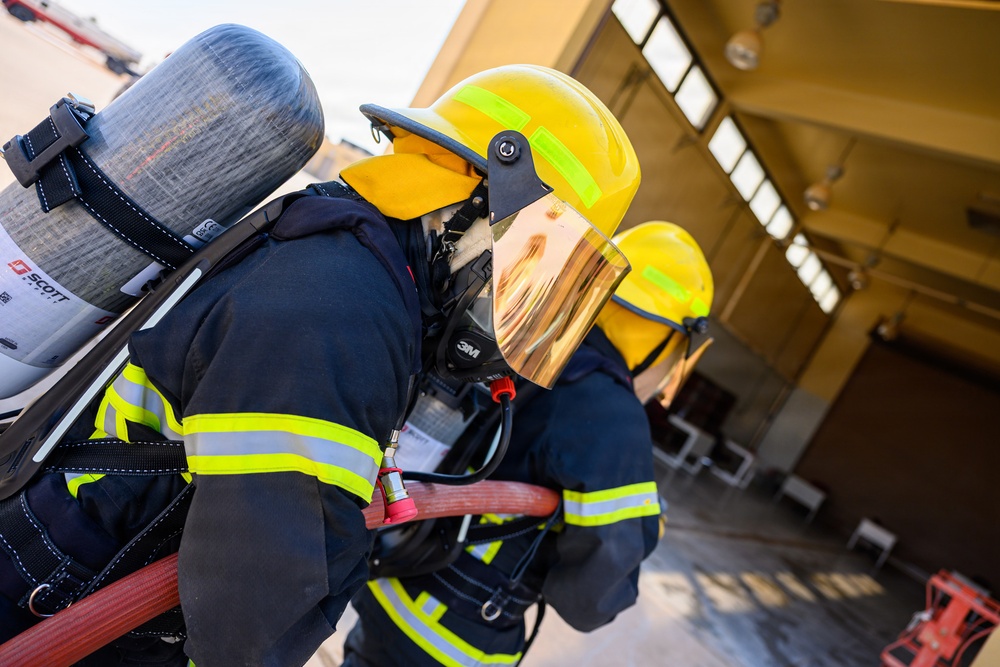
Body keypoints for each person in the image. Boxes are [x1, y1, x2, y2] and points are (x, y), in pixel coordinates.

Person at [0, 64, 639, 666]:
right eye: (531, 260)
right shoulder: (343, 312)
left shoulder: (349, 255)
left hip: (85, 549)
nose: (518, 297)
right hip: (66, 587)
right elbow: (260, 608)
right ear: (475, 206)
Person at [340, 221, 715, 667]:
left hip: (388, 586)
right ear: (670, 340)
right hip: (450, 641)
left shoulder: (527, 342)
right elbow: (591, 600)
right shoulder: (613, 418)